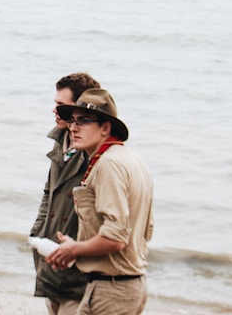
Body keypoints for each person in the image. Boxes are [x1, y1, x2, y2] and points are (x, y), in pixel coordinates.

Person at [47, 89, 154, 315]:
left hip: (113, 290)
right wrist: (78, 246)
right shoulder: (130, 159)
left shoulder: (109, 165)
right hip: (120, 285)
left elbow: (115, 238)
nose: (74, 128)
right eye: (73, 121)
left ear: (106, 128)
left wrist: (74, 249)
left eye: (84, 121)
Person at [30, 73, 101, 315]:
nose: (54, 110)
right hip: (51, 261)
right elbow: (48, 194)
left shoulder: (94, 153)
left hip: (78, 272)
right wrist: (37, 233)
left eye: (61, 106)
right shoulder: (60, 141)